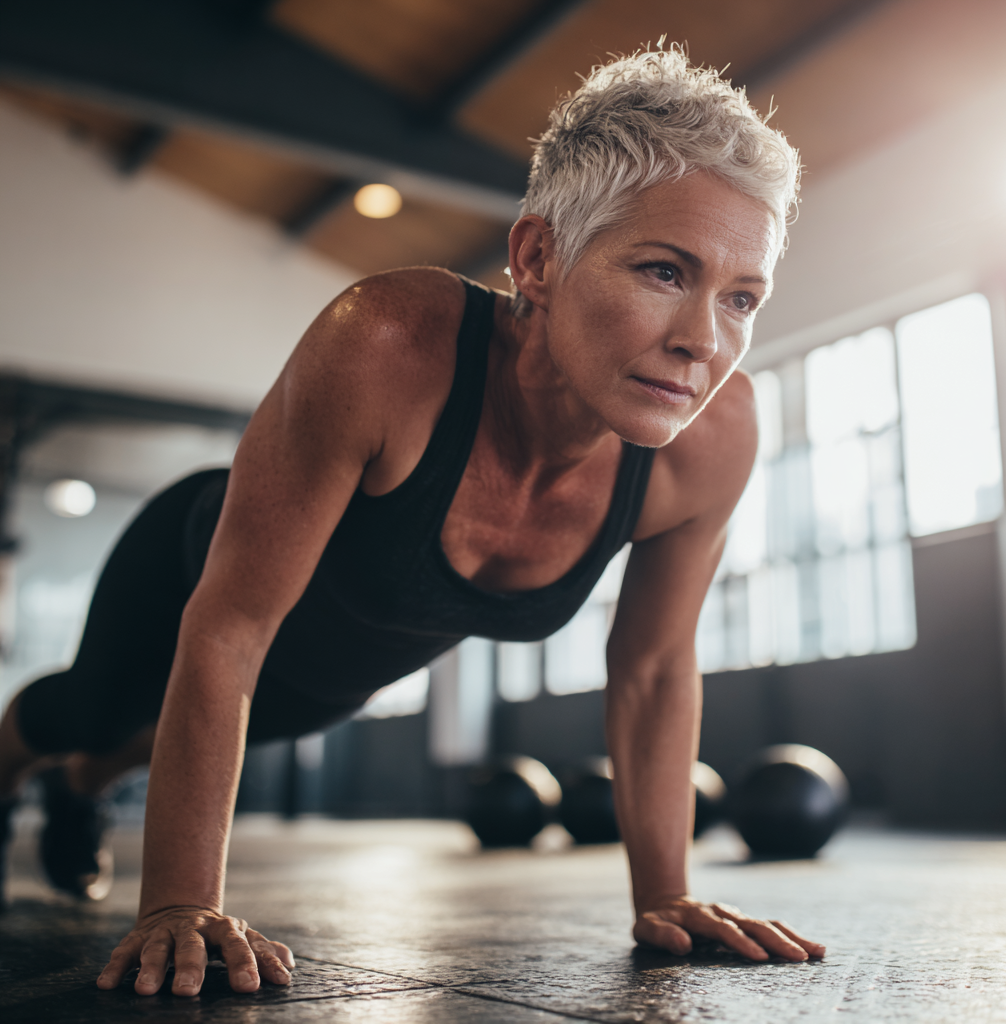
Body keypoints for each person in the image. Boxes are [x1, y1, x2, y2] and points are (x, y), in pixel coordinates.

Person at [0, 46, 824, 995]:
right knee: (89, 708)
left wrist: (668, 896)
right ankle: (27, 764)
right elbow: (229, 629)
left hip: (335, 669)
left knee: (167, 734)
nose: (702, 341)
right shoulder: (389, 343)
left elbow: (652, 669)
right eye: (665, 271)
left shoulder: (711, 438)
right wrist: (181, 904)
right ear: (538, 258)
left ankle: (79, 788)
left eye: (742, 298)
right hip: (196, 576)